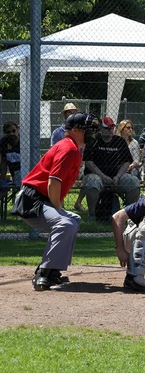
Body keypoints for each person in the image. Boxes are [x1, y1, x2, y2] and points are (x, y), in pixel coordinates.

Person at [11, 113, 99, 291]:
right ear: (74, 131)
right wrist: (58, 208)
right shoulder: (69, 149)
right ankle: (43, 272)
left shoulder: (73, 148)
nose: (92, 133)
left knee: (73, 220)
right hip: (31, 201)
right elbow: (54, 181)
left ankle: (53, 271)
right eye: (88, 130)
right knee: (65, 222)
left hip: (39, 200)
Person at [82, 116, 140, 221]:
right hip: (97, 175)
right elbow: (89, 162)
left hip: (116, 177)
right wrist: (103, 177)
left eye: (112, 127)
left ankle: (130, 216)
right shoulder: (94, 141)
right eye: (107, 128)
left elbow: (126, 162)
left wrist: (118, 176)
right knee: (92, 182)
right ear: (101, 128)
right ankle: (92, 215)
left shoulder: (120, 141)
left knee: (134, 182)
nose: (110, 130)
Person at [0, 121, 21, 192]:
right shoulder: (4, 142)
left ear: (17, 129)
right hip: (15, 172)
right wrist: (2, 180)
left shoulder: (24, 140)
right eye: (8, 132)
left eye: (13, 131)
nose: (12, 133)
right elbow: (4, 162)